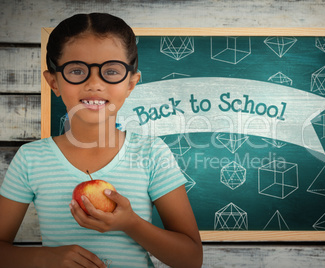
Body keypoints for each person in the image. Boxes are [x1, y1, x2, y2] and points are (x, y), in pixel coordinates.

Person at [0, 13, 202, 268]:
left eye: (111, 71)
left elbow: (192, 259)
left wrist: (131, 223)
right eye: (76, 70)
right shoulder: (31, 159)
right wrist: (42, 257)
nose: (94, 83)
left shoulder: (151, 153)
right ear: (53, 82)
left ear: (131, 83)